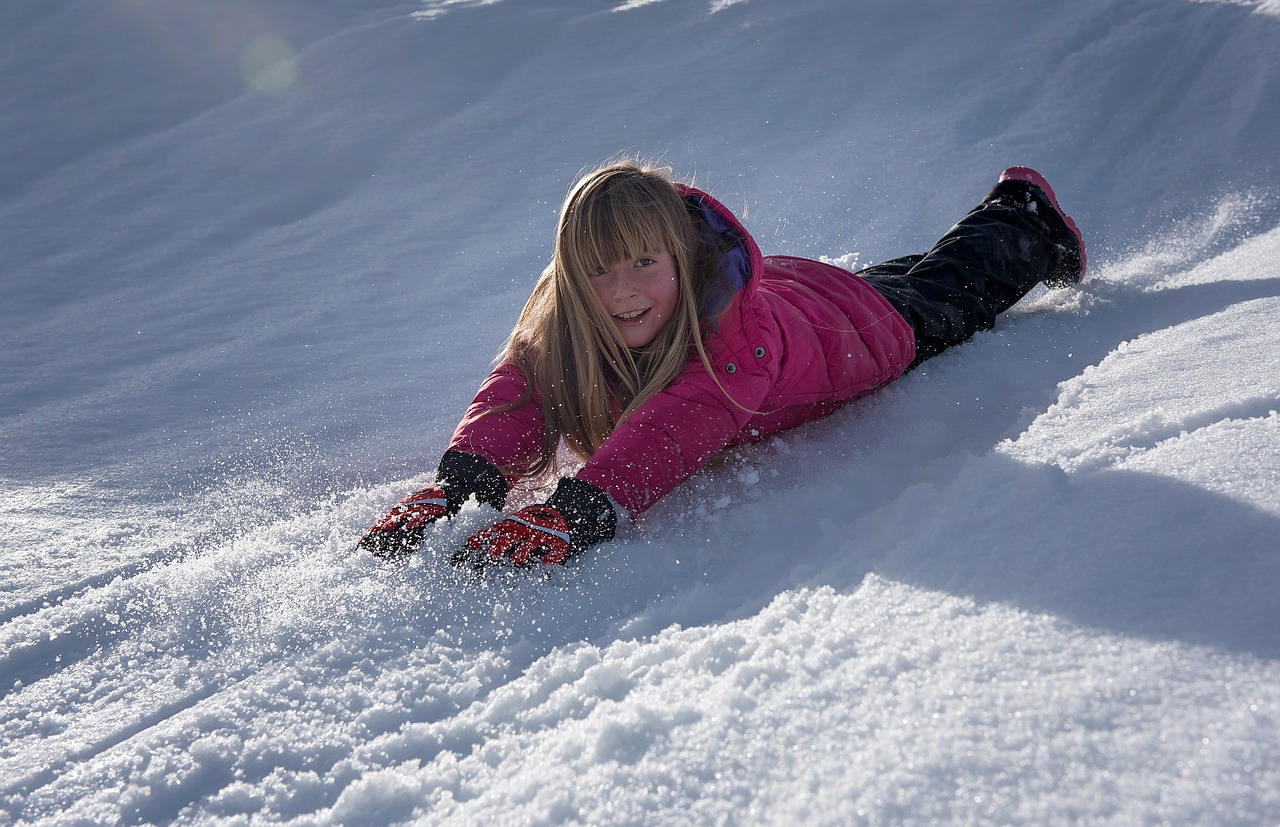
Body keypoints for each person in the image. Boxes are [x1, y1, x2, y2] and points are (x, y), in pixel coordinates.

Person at [357, 160, 1085, 568]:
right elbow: (521, 387)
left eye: (646, 262)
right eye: (603, 271)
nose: (626, 289)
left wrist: (581, 508)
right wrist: (463, 483)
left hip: (850, 336)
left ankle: (1024, 216)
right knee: (895, 277)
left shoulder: (729, 348)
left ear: (682, 258)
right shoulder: (579, 317)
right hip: (798, 292)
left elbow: (680, 424)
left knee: (945, 293)